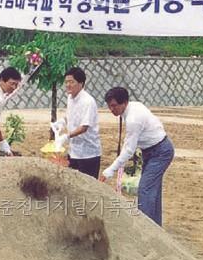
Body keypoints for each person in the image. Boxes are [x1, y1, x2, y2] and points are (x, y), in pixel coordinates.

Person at [100, 87, 174, 226]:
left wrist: (110, 170)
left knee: (145, 189)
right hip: (150, 151)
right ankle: (156, 227)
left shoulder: (134, 118)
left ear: (124, 103)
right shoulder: (133, 107)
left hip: (161, 152)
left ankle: (144, 229)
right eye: (109, 106)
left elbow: (129, 150)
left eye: (114, 106)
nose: (111, 110)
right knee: (153, 190)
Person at [59, 67, 102, 178]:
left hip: (88, 153)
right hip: (74, 150)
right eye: (66, 82)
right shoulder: (70, 98)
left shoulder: (88, 101)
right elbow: (70, 116)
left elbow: (84, 127)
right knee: (74, 184)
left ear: (81, 83)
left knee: (88, 186)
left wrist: (67, 136)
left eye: (71, 82)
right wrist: (62, 122)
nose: (68, 85)